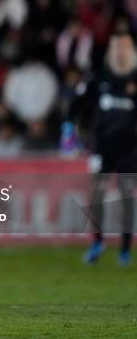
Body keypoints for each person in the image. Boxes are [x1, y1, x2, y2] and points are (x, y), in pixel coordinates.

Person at [67, 32, 137, 266]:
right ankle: (97, 242)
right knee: (97, 195)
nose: (120, 52)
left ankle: (125, 249)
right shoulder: (99, 77)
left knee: (128, 197)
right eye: (116, 47)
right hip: (102, 147)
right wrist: (68, 129)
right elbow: (76, 104)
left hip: (130, 149)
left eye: (125, 47)